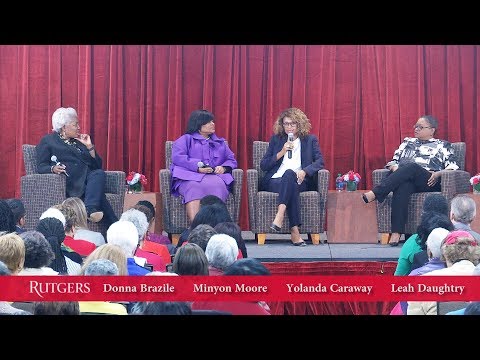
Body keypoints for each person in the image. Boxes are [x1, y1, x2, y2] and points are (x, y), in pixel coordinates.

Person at [362, 115, 459, 246]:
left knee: (412, 167)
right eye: (415, 126)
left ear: (432, 130)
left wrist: (437, 174)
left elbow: (453, 166)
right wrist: (396, 168)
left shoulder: (443, 145)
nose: (416, 129)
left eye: (421, 127)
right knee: (404, 185)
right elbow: (393, 161)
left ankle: (377, 192)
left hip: (429, 180)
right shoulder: (407, 142)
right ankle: (396, 232)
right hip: (407, 178)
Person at [35, 107, 118, 226]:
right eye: (75, 124)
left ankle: (91, 208)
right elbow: (41, 166)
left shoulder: (77, 142)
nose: (79, 128)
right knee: (100, 196)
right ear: (64, 127)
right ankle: (114, 229)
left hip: (88, 182)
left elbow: (97, 166)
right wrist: (52, 169)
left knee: (99, 173)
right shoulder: (48, 141)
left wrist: (89, 147)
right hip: (72, 183)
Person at [260, 107, 325, 246]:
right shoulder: (276, 140)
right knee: (289, 176)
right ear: (281, 125)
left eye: (292, 124)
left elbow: (320, 162)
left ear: (299, 124)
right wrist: (281, 152)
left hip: (301, 180)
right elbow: (264, 165)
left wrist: (305, 171)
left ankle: (280, 215)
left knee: (291, 176)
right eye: (286, 124)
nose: (289, 127)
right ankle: (294, 230)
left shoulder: (310, 140)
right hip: (275, 180)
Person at [170, 109, 238, 222]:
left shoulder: (220, 143)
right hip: (190, 177)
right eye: (208, 122)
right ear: (198, 124)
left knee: (218, 186)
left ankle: (216, 227)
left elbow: (231, 159)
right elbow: (178, 158)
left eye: (213, 121)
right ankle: (195, 227)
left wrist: (224, 168)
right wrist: (197, 168)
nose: (213, 124)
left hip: (214, 177)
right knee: (194, 187)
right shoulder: (185, 139)